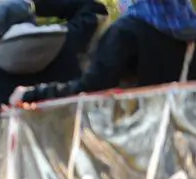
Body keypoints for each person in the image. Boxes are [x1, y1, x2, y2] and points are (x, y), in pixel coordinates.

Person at [13, 0, 196, 105]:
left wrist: (33, 95)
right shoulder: (189, 31)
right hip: (187, 148)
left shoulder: (126, 32)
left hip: (140, 151)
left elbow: (90, 89)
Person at [0, 0, 107, 125]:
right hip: (82, 140)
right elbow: (95, 9)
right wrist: (38, 4)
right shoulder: (73, 38)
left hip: (26, 150)